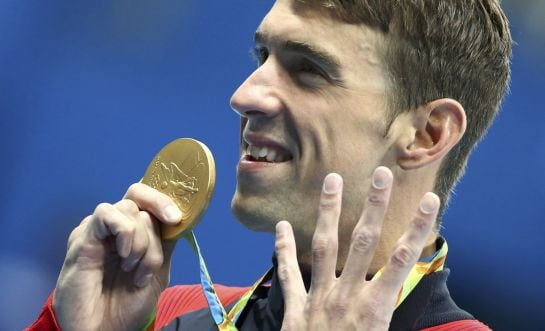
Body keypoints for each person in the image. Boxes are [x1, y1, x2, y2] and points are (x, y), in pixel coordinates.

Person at [27, 0, 512, 330]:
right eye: (263, 55)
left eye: (308, 70)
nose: (244, 96)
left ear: (428, 134)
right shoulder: (174, 315)